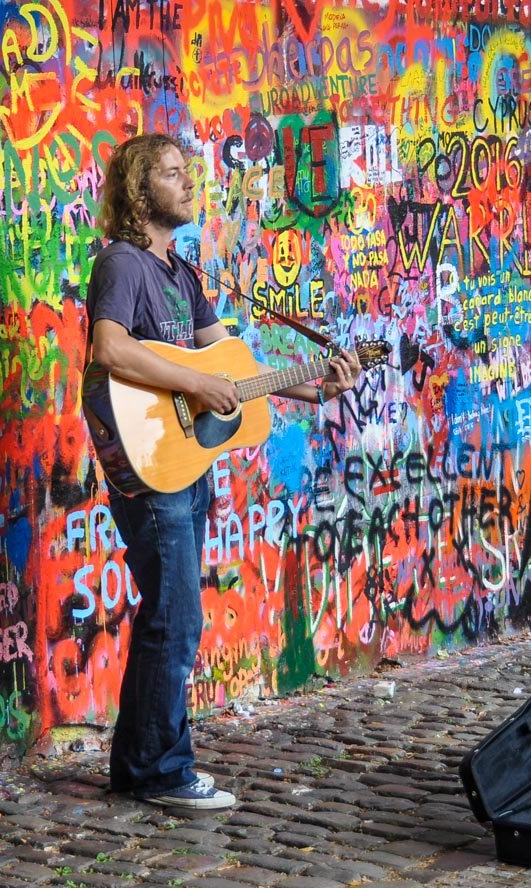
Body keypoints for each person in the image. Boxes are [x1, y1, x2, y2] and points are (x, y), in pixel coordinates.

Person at [85, 133, 362, 809]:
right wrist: (193, 384)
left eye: (189, 173)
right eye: (173, 175)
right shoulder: (123, 264)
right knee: (176, 622)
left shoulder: (183, 273)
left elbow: (233, 370)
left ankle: (138, 764)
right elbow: (109, 346)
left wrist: (315, 385)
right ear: (139, 190)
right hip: (151, 464)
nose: (190, 185)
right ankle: (161, 772)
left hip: (185, 459)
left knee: (169, 616)